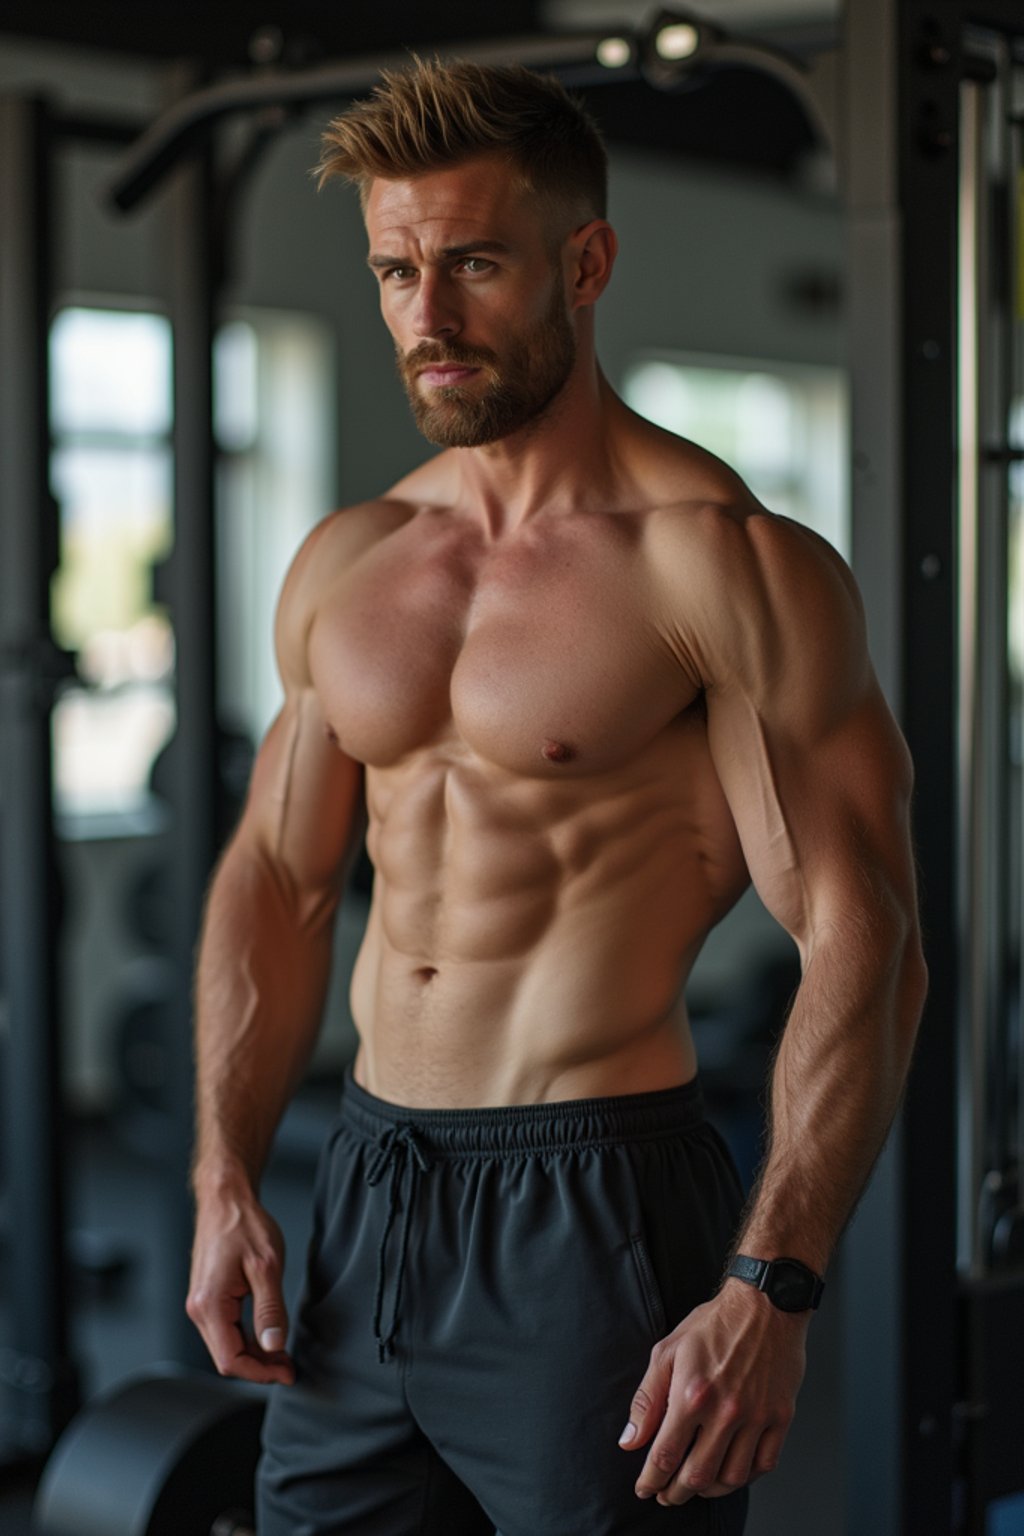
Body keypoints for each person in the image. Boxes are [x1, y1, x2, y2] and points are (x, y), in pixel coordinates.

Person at [185, 58, 927, 1536]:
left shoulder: (715, 561)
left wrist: (771, 1284)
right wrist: (222, 1172)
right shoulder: (352, 558)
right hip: (370, 1184)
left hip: (593, 1203)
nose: (428, 316)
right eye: (398, 270)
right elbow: (282, 878)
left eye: (472, 262)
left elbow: (865, 933)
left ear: (583, 263)